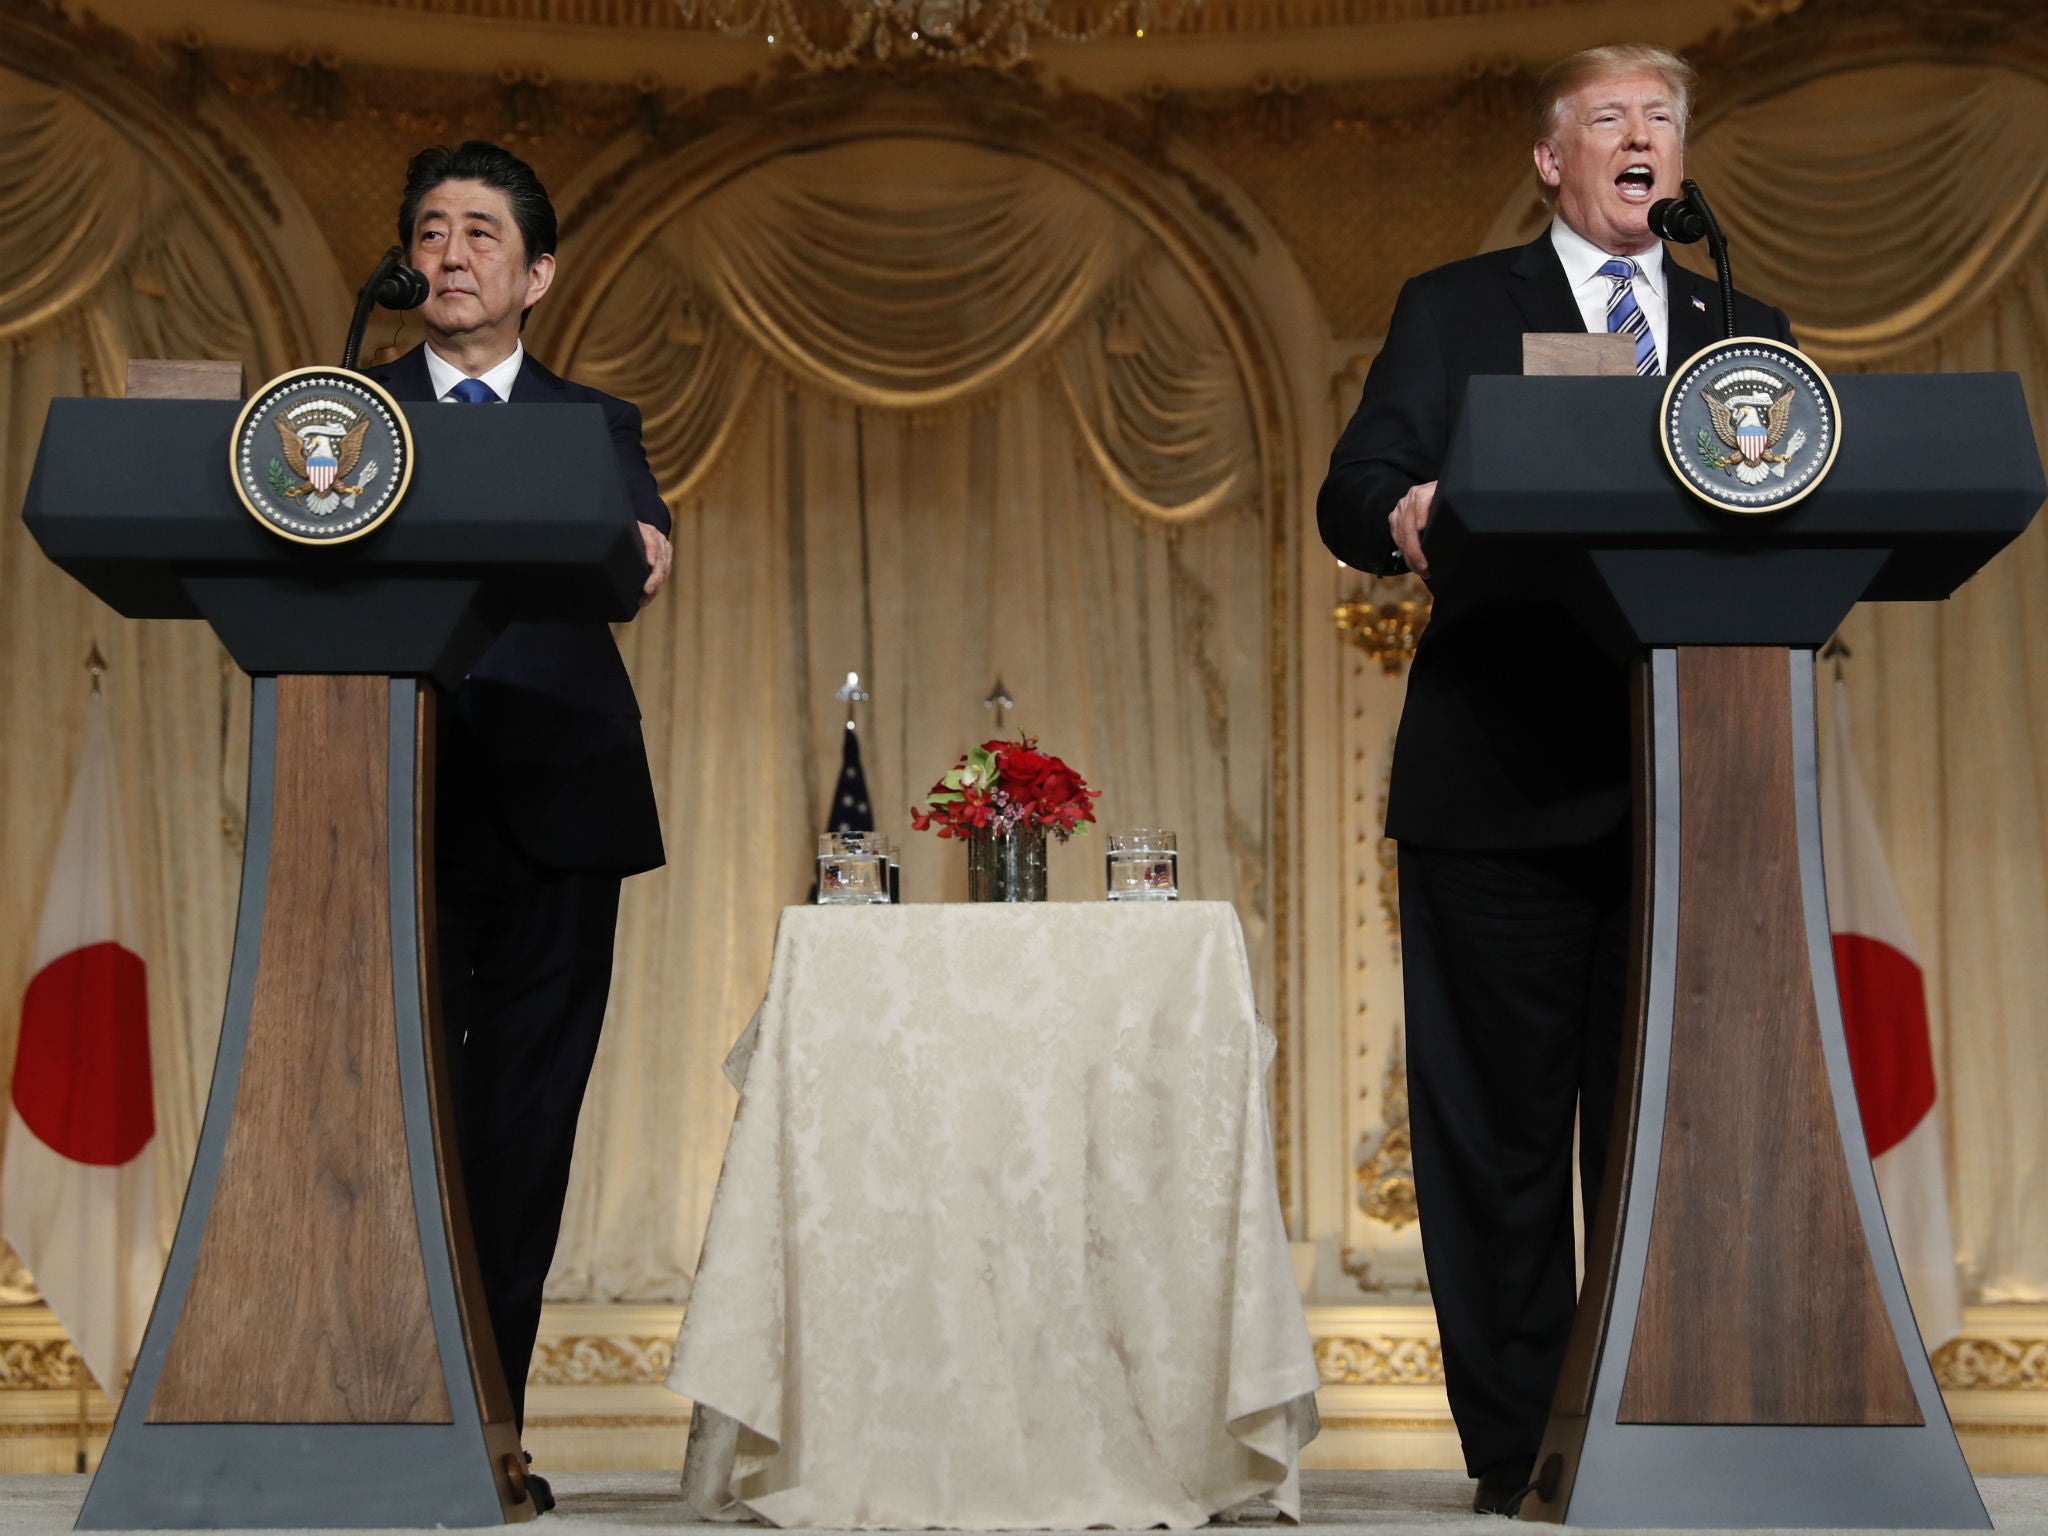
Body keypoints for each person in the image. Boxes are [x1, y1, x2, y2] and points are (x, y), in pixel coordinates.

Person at [1317, 47, 1794, 1516]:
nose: (1642, 140)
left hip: (1694, 779)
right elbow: (1352, 494)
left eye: (1663, 121)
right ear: (1551, 161)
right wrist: (1408, 511)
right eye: (1611, 121)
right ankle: (1523, 1447)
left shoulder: (1743, 326)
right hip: (1501, 777)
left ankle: (1672, 1417)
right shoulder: (1461, 310)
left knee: (1679, 1127)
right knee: (1503, 1133)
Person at [365, 141, 675, 1513]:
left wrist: (644, 545)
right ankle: (378, 1414)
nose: (450, 253)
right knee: (392, 1120)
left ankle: (489, 1429)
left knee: (523, 1125)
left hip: (556, 798)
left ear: (535, 273)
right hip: (389, 795)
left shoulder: (588, 422)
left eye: (480, 232)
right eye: (430, 230)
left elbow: (640, 554)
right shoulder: (346, 414)